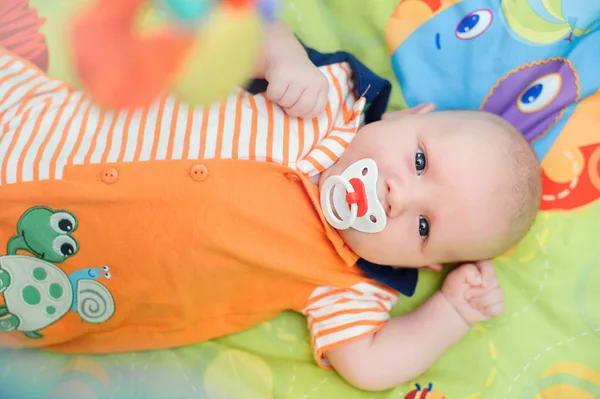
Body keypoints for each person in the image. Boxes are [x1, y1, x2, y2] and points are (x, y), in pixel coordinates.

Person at [0, 17, 541, 391]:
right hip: (29, 128)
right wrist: (282, 56)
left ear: (422, 264)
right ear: (405, 117)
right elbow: (238, 33)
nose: (400, 196)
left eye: (424, 225)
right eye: (420, 162)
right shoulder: (325, 98)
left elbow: (371, 366)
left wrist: (452, 312)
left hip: (33, 274)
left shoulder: (347, 279)